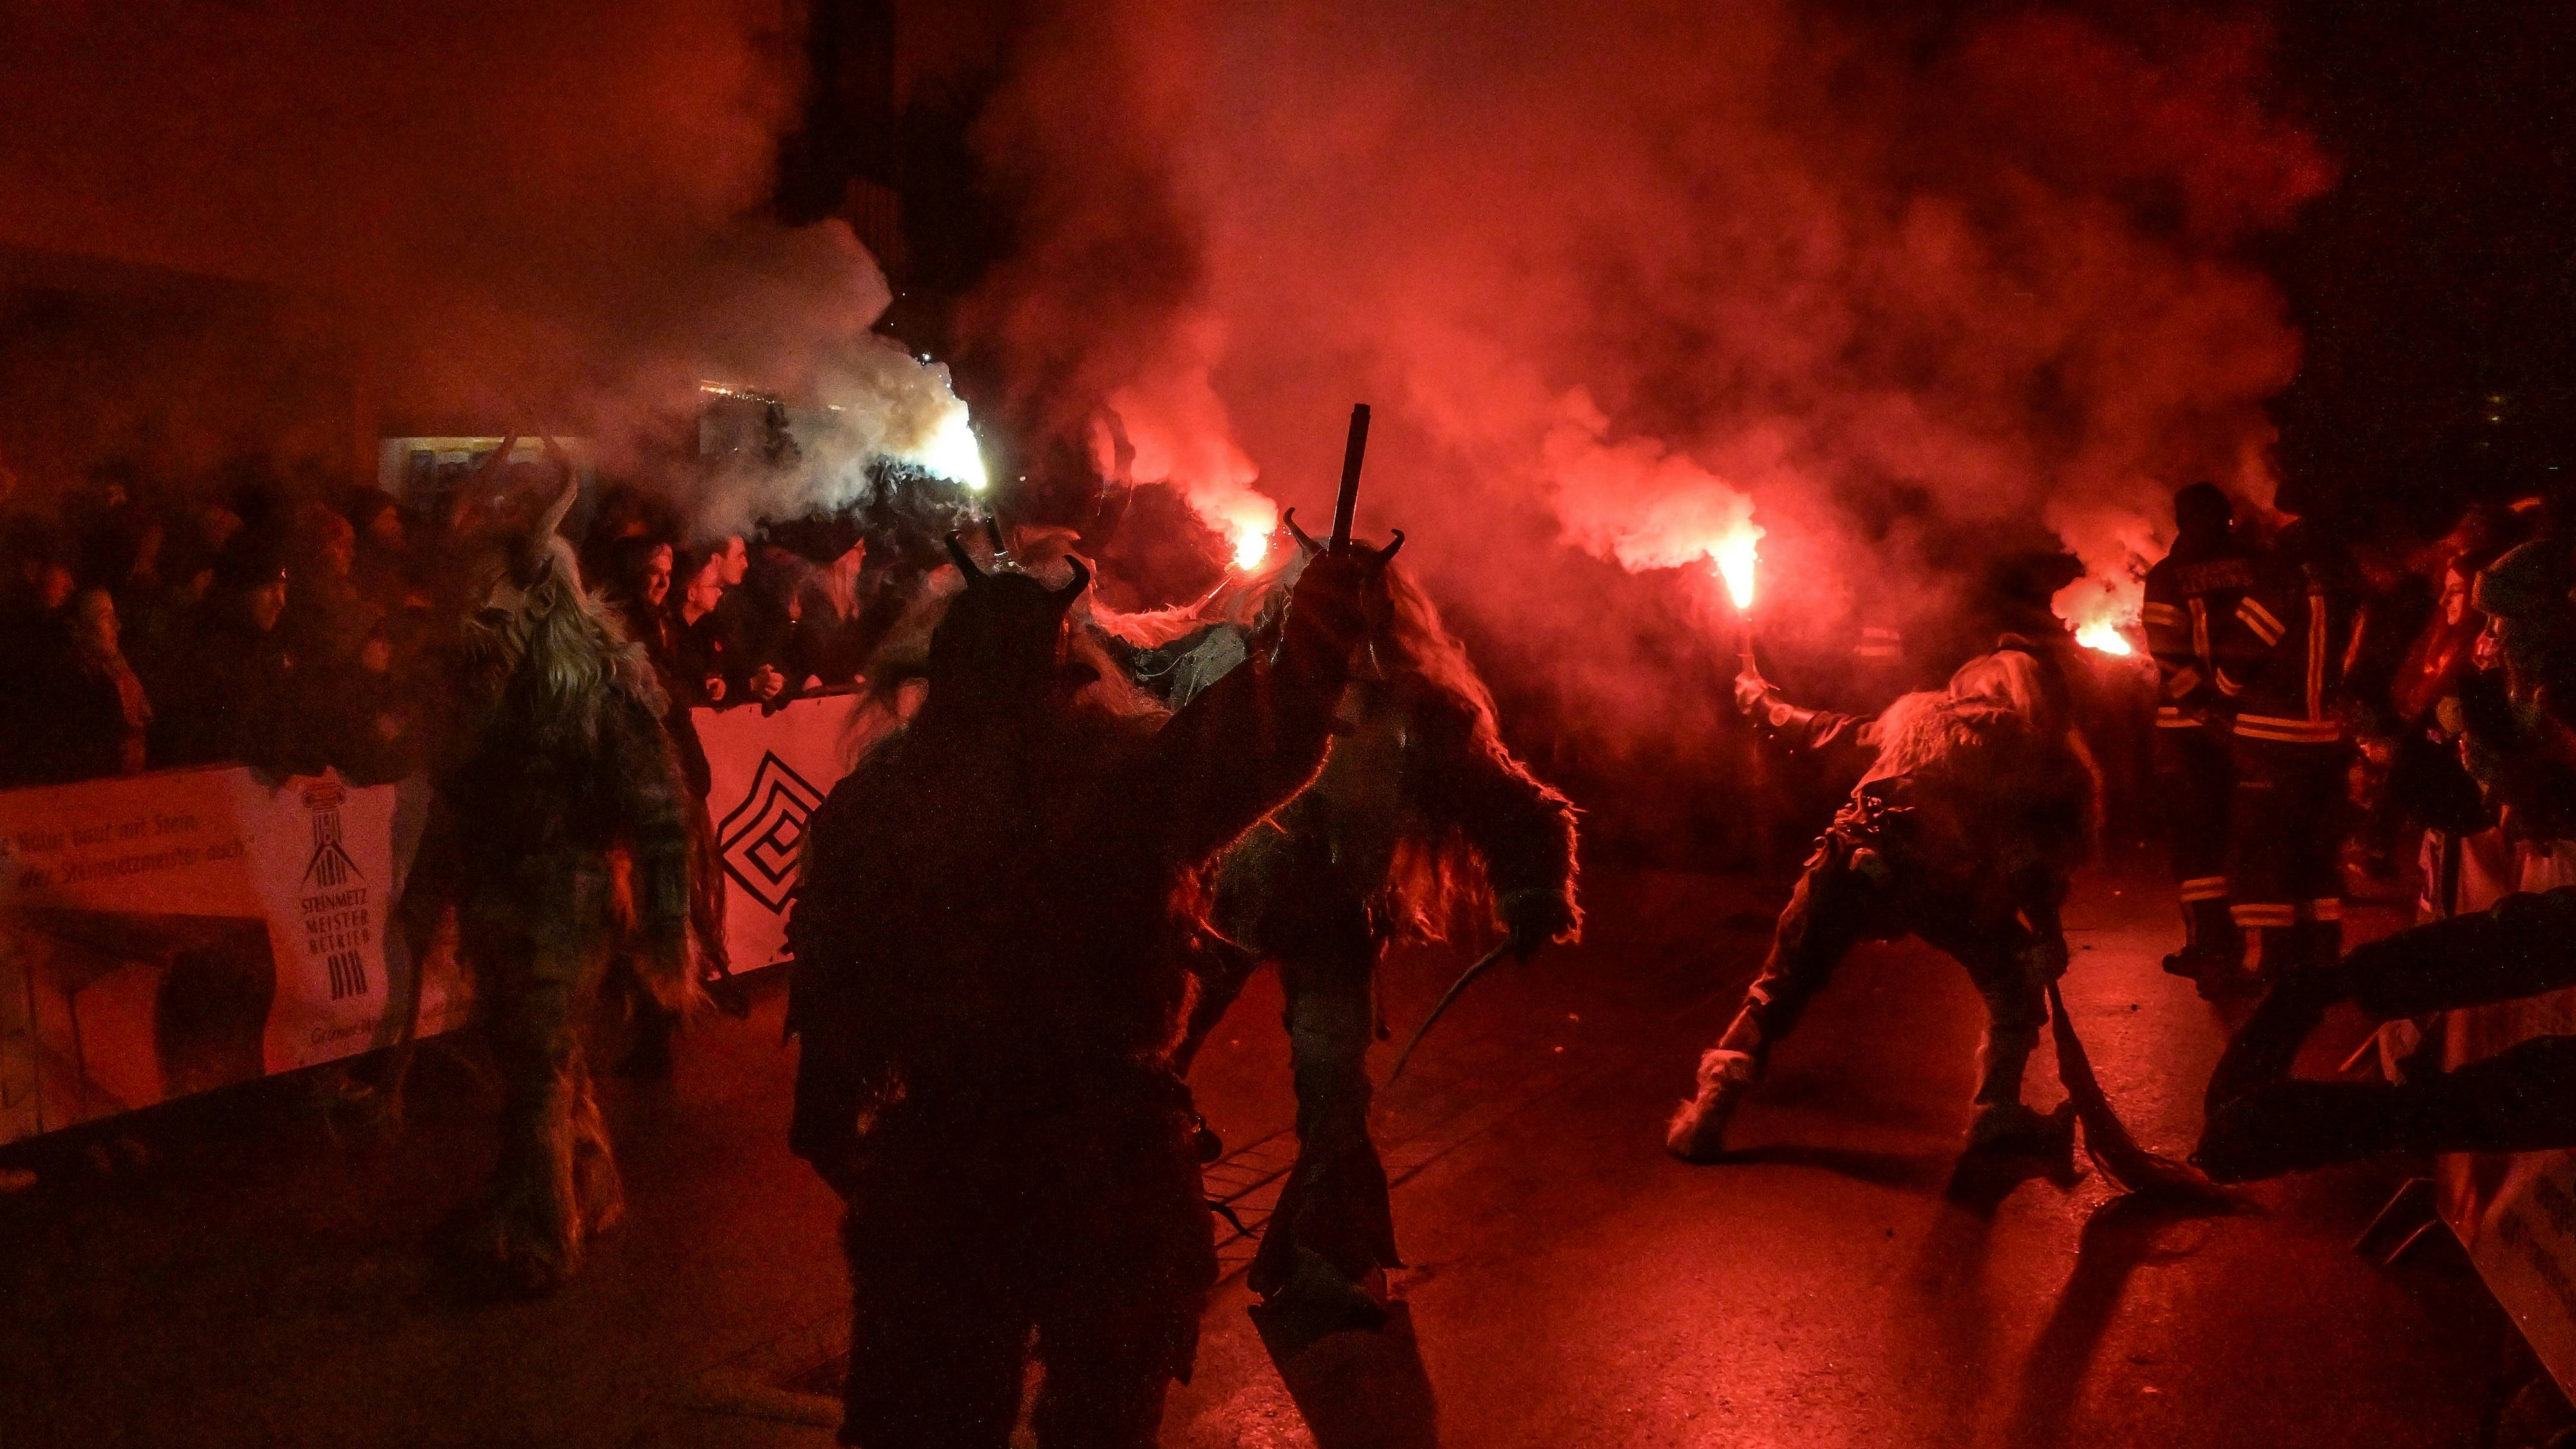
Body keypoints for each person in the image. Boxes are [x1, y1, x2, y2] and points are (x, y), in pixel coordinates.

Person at [786, 529, 1380, 1448]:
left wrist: (835, 1119)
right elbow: (1264, 743)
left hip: (948, 1155)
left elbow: (830, 994)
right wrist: (1323, 632)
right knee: (1097, 1422)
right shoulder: (1117, 785)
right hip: (1102, 1158)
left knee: (923, 1419)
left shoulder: (874, 808)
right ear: (1057, 683)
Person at [1162, 527, 1580, 1325]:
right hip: (1223, 904)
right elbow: (1143, 728)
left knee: (1333, 1087)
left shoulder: (1416, 706)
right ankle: (1135, 1228)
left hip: (1336, 916)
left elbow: (1512, 803)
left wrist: (1532, 887)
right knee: (1151, 1059)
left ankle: (1329, 1258)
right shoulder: (1236, 671)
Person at [397, 467, 693, 1294]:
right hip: (503, 885)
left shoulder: (600, 677)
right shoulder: (491, 681)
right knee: (540, 1054)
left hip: (564, 891)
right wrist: (433, 881)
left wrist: (667, 935)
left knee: (539, 1055)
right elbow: (461, 787)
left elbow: (661, 809)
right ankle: (585, 1184)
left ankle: (537, 1233)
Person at [1667, 642, 2098, 1162]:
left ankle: (1708, 1116)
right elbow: (2031, 862)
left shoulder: (1917, 720)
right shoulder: (2041, 756)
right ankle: (1995, 1116)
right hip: (1943, 883)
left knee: (1778, 989)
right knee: (2011, 988)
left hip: (1853, 857)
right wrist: (2046, 939)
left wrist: (1763, 705)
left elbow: (1833, 730)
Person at [2205, 514, 2363, 993]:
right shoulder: (2350, 583)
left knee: (2264, 851)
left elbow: (2240, 654)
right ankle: (2322, 956)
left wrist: (2224, 689)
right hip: (2328, 742)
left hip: (2270, 743)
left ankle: (2270, 962)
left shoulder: (2282, 581)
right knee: (2317, 852)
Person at [2141, 482, 2259, 992]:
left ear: (2182, 521)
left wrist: (2204, 709)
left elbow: (2167, 654)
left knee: (2196, 843)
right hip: (2252, 725)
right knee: (2245, 835)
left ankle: (2211, 946)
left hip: (2187, 732)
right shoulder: (2256, 566)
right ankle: (2256, 945)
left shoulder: (2168, 576)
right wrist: (2236, 707)